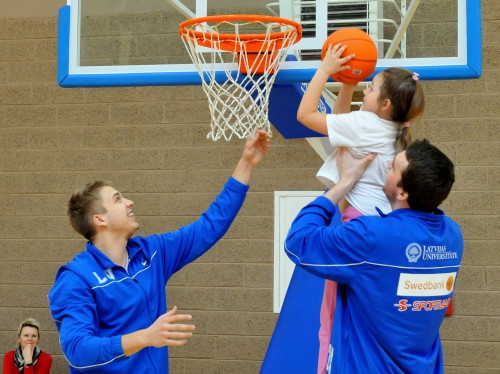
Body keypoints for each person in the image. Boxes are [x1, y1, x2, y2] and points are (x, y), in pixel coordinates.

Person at [47, 130, 271, 374]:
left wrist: (246, 163)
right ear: (100, 219)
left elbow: (208, 226)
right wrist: (145, 337)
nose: (130, 202)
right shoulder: (75, 278)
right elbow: (78, 351)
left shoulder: (151, 253)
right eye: (118, 199)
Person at [297, 43, 425, 373]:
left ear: (384, 104)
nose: (364, 92)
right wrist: (350, 83)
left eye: (369, 88)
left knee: (331, 314)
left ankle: (325, 365)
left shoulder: (367, 125)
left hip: (357, 231)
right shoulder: (393, 130)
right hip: (380, 233)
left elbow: (305, 115)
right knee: (360, 313)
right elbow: (342, 124)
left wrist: (325, 70)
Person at [285, 141, 463, 373]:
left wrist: (342, 184)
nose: (388, 163)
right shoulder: (452, 236)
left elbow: (298, 241)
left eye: (394, 167)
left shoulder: (371, 236)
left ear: (402, 191)